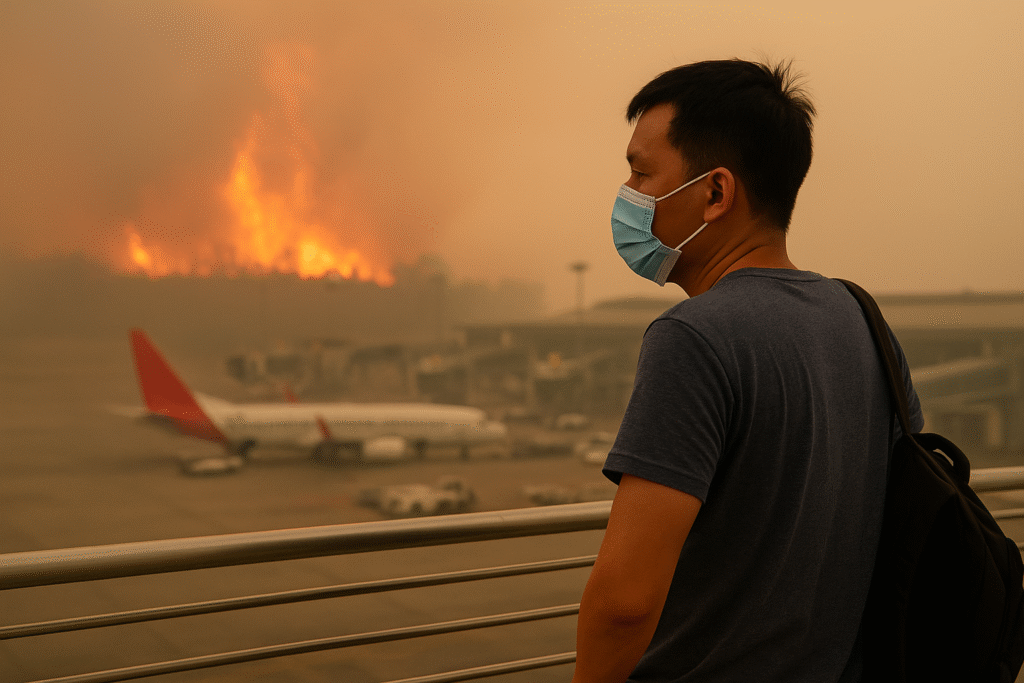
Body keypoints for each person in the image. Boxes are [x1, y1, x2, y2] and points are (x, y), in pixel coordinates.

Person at [571, 59, 923, 683]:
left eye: (641, 173)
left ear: (715, 193)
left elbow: (624, 602)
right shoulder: (864, 321)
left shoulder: (694, 339)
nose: (628, 195)